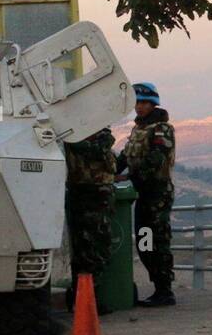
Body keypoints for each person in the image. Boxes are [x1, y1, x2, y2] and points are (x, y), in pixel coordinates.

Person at [117, 82, 177, 308]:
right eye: (137, 102)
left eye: (143, 103)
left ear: (153, 104)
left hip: (157, 193)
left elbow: (156, 159)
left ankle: (165, 290)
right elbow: (125, 156)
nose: (139, 107)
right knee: (144, 241)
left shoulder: (162, 129)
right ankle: (158, 287)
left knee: (158, 241)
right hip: (142, 194)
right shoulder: (138, 129)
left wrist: (130, 177)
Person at [62, 127, 117, 310]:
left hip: (96, 194)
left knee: (96, 249)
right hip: (84, 193)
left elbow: (97, 150)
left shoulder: (103, 136)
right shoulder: (70, 136)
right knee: (87, 249)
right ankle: (86, 300)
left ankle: (86, 299)